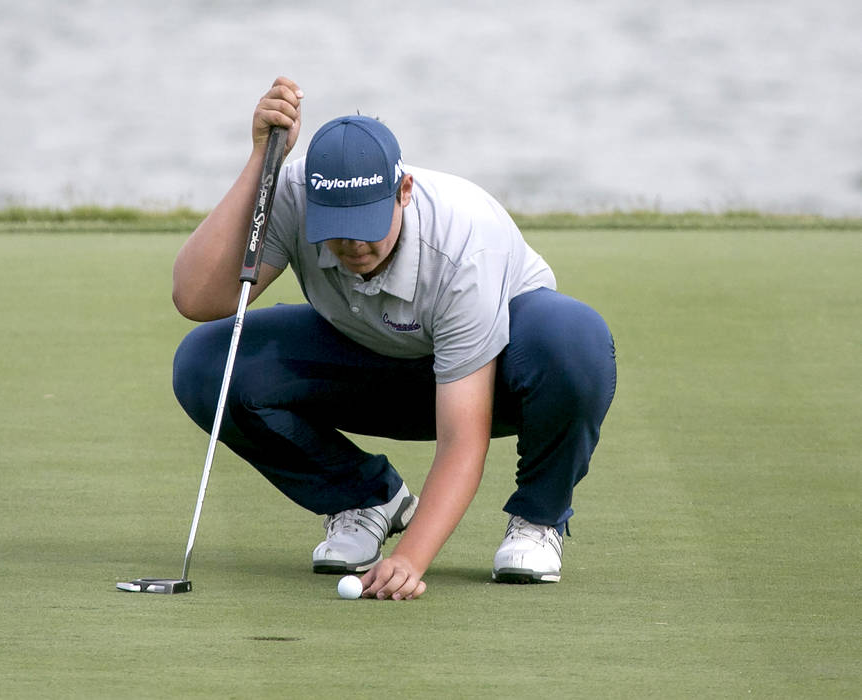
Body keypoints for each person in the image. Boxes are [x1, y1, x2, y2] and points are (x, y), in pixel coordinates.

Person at [171, 76, 616, 601]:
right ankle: (368, 499)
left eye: (367, 222)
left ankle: (537, 520)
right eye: (336, 227)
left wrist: (411, 560)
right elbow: (198, 297)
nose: (354, 243)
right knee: (207, 363)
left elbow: (461, 437)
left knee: (574, 339)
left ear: (403, 191)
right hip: (369, 359)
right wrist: (258, 166)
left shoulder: (464, 241)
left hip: (497, 374)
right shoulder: (293, 195)